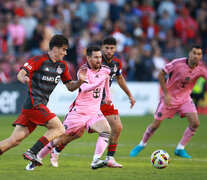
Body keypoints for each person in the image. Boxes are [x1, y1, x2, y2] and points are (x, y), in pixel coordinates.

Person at [44, 36, 136, 168]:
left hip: (104, 102)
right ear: (102, 48)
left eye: (112, 48)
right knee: (76, 134)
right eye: (106, 48)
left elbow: (119, 78)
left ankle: (109, 158)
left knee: (117, 127)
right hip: (89, 103)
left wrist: (130, 95)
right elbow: (84, 82)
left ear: (115, 49)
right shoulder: (94, 61)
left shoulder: (116, 63)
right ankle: (56, 150)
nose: (109, 51)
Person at [0, 34, 87, 166]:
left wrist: (80, 81)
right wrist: (23, 78)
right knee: (59, 128)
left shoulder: (62, 66)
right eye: (63, 49)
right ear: (55, 49)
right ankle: (32, 152)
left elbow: (70, 86)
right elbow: (21, 74)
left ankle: (30, 152)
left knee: (14, 140)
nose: (65, 52)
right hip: (34, 103)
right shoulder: (39, 60)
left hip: (34, 107)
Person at [26, 45, 112, 170]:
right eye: (95, 57)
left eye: (100, 57)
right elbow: (84, 88)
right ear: (88, 58)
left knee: (106, 130)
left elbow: (106, 83)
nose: (99, 60)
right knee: (59, 138)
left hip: (94, 112)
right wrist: (100, 81)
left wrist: (108, 96)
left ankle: (95, 160)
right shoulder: (83, 71)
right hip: (79, 112)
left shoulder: (105, 70)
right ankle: (37, 159)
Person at [130, 44, 207, 158]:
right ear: (189, 53)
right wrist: (166, 94)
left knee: (195, 123)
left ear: (201, 56)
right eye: (194, 53)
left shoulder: (201, 69)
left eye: (199, 54)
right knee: (155, 125)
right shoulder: (177, 63)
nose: (196, 56)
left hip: (185, 99)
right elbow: (161, 74)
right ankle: (141, 144)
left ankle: (180, 148)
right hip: (168, 99)